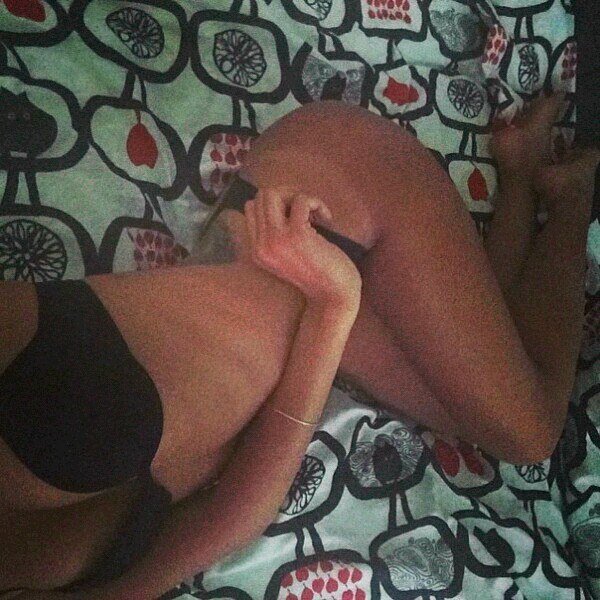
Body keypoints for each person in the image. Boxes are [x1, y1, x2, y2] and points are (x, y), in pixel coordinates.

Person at [0, 95, 598, 599]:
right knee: (490, 417)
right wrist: (332, 308)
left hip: (320, 203)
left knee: (531, 433)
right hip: (321, 313)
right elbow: (226, 519)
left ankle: (572, 195)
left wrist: (331, 299)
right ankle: (521, 176)